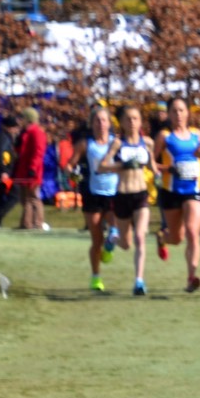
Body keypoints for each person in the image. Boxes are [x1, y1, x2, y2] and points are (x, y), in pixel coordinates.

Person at [102, 105, 153, 296]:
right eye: (128, 119)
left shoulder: (147, 143)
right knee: (126, 244)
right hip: (122, 195)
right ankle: (113, 238)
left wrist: (164, 170)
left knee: (140, 237)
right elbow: (102, 166)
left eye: (135, 119)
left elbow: (153, 167)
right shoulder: (117, 143)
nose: (132, 122)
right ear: (122, 123)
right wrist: (122, 165)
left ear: (140, 122)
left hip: (140, 194)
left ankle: (139, 281)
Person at [155, 101, 200, 288]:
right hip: (171, 191)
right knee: (176, 238)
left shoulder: (197, 135)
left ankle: (192, 276)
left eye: (181, 110)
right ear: (168, 114)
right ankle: (162, 237)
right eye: (174, 111)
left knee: (193, 232)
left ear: (187, 113)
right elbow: (151, 163)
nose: (178, 114)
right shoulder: (165, 136)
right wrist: (167, 168)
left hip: (194, 191)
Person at [79, 105, 119, 292]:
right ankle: (96, 277)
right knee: (96, 240)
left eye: (104, 120)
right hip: (93, 194)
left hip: (114, 193)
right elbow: (69, 165)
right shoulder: (86, 144)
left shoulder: (116, 143)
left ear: (109, 123)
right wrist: (73, 173)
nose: (101, 124)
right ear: (92, 123)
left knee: (114, 230)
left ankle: (110, 245)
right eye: (97, 120)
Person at [12, 106, 48, 231]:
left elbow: (38, 152)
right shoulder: (26, 133)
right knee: (25, 198)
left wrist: (32, 168)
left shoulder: (37, 132)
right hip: (24, 169)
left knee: (32, 197)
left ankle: (36, 222)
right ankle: (27, 223)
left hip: (32, 170)